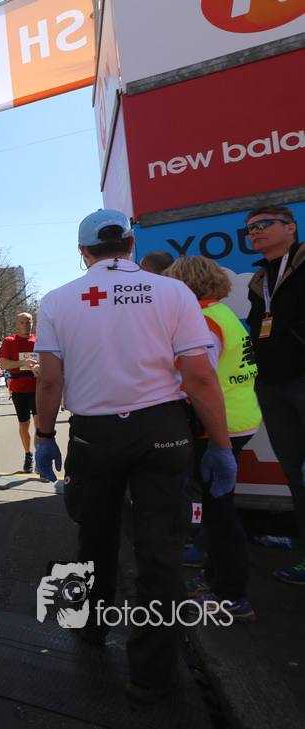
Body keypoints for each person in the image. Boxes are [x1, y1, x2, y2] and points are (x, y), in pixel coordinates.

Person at [34, 209, 236, 704]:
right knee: (160, 551)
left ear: (83, 252)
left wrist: (44, 435)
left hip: (93, 435)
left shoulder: (57, 300)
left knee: (94, 535)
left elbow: (50, 380)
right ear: (130, 244)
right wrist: (221, 444)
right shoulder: (173, 292)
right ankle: (153, 676)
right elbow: (200, 376)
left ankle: (89, 625)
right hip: (161, 429)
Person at [164, 256, 261, 621]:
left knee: (219, 511)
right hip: (239, 418)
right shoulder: (222, 314)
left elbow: (201, 379)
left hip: (217, 427)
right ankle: (215, 576)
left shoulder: (202, 320)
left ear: (185, 286)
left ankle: (231, 595)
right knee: (217, 506)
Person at [243, 205, 305, 585]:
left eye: (264, 224)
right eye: (250, 228)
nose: (255, 231)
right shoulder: (259, 279)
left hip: (301, 379)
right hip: (270, 385)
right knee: (295, 473)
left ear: (291, 228)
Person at [0, 312, 40, 473]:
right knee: (24, 425)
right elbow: (3, 364)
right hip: (19, 388)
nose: (25, 325)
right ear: (17, 324)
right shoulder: (9, 341)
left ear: (32, 323)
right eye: (22, 322)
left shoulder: (39, 340)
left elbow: (47, 360)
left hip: (37, 388)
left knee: (39, 424)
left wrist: (38, 366)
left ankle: (39, 458)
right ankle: (28, 454)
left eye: (28, 322)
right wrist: (23, 362)